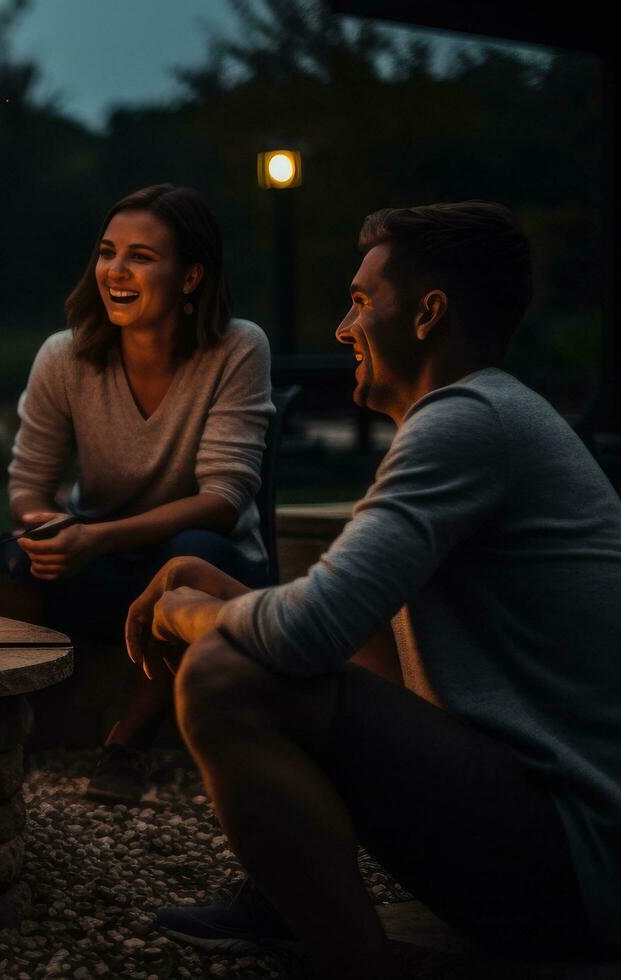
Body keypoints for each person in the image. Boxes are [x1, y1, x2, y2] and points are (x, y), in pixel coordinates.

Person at [130, 202, 621, 977]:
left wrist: (191, 612)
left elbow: (304, 638)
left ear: (427, 314)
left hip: (580, 859)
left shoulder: (468, 421)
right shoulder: (485, 416)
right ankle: (285, 894)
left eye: (360, 300)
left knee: (225, 675)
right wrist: (220, 589)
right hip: (553, 833)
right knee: (278, 645)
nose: (340, 326)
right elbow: (359, 641)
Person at [0, 184, 273, 803]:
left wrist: (98, 536)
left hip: (209, 565)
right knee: (13, 554)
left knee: (195, 552)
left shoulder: (237, 349)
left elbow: (225, 498)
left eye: (141, 256)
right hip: (104, 564)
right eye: (108, 252)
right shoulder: (64, 357)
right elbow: (29, 485)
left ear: (191, 275)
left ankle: (127, 747)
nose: (115, 270)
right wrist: (45, 526)